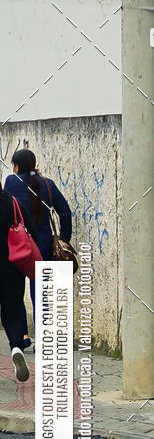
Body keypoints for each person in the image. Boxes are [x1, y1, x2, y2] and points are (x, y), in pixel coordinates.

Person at [5, 148, 72, 346]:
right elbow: (65, 212)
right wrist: (63, 239)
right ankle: (43, 339)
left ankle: (23, 336)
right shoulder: (47, 184)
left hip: (18, 245)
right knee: (40, 292)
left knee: (16, 291)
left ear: (16, 167)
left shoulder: (11, 181)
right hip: (42, 246)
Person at [0, 185, 36, 381]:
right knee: (13, 309)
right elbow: (32, 232)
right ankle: (16, 348)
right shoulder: (14, 203)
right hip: (13, 267)